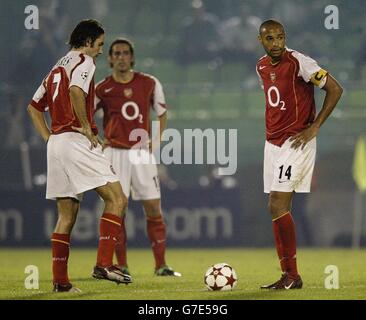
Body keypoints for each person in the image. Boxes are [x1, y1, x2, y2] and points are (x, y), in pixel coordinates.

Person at [27, 20, 132, 292]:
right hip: (76, 140)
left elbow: (33, 107)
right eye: (99, 45)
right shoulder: (84, 62)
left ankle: (61, 283)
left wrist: (50, 138)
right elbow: (76, 90)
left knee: (66, 215)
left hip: (57, 144)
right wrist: (85, 126)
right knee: (118, 199)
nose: (100, 51)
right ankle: (104, 264)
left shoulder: (56, 67)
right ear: (88, 43)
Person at [256, 20, 343, 289]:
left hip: (296, 142)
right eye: (270, 38)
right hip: (272, 144)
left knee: (279, 204)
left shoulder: (299, 62)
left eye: (280, 37)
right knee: (274, 207)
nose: (276, 43)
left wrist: (315, 126)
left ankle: (292, 275)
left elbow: (335, 89)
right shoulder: (260, 66)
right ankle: (288, 275)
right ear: (261, 40)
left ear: (285, 37)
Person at [94, 38, 181, 277]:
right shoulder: (102, 88)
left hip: (141, 153)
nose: (121, 57)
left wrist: (158, 139)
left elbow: (162, 113)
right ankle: (121, 264)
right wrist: (96, 138)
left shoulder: (149, 83)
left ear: (132, 57)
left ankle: (161, 265)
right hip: (114, 153)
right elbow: (86, 115)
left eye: (125, 53)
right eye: (116, 53)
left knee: (153, 207)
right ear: (110, 58)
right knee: (117, 208)